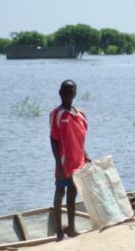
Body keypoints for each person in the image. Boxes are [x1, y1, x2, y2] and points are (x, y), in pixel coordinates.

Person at [50, 80, 91, 241]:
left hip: (78, 162)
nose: (68, 94)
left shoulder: (80, 114)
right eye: (65, 91)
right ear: (60, 93)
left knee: (72, 194)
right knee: (59, 193)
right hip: (63, 163)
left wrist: (85, 154)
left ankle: (71, 227)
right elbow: (53, 140)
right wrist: (58, 165)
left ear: (75, 93)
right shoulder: (57, 113)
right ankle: (59, 231)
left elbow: (79, 139)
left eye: (71, 91)